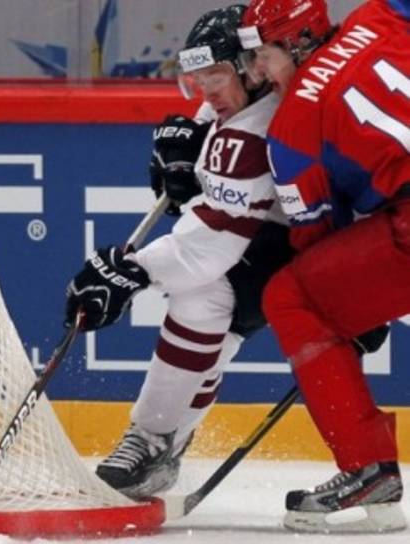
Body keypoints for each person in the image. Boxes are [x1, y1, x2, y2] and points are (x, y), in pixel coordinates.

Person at [65, 5, 292, 499]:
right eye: (198, 79)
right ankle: (161, 443)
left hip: (319, 242)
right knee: (208, 325)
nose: (206, 92)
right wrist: (188, 154)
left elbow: (210, 243)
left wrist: (131, 271)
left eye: (216, 76)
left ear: (252, 68)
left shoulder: (257, 131)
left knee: (203, 297)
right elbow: (208, 149)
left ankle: (153, 439)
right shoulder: (248, 98)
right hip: (286, 234)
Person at [238, 0, 408, 533]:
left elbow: (317, 240)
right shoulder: (378, 14)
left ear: (297, 42)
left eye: (264, 56)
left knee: (292, 297)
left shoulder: (292, 127)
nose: (257, 73)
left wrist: (351, 316)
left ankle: (366, 466)